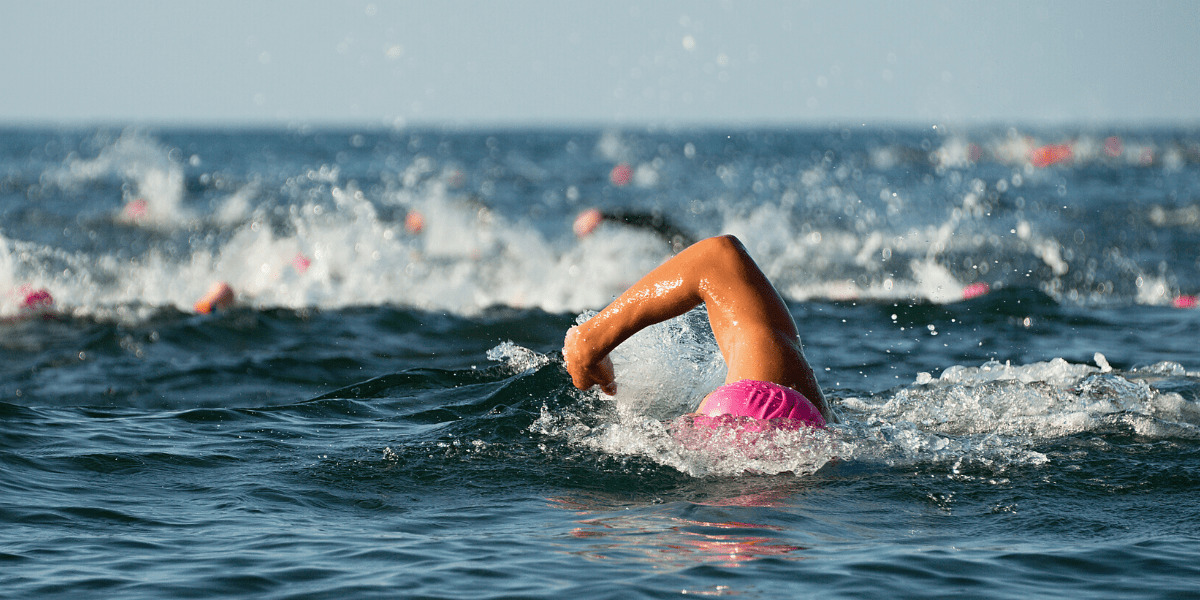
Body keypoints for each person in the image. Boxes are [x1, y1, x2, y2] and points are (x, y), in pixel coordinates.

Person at [563, 234, 834, 427]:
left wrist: (592, 341)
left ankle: (590, 341)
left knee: (720, 260)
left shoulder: (778, 391)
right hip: (798, 452)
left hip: (765, 410)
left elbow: (716, 256)